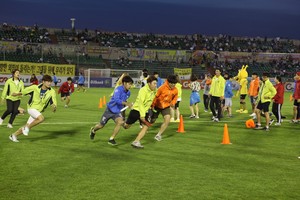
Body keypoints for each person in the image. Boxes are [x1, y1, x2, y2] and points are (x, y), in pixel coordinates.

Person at [9, 75, 57, 142]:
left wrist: (54, 107)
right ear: (43, 82)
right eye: (48, 82)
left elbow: (53, 102)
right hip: (31, 108)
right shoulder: (35, 87)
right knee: (41, 119)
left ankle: (13, 135)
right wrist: (16, 94)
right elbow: (24, 91)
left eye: (50, 82)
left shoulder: (52, 92)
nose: (49, 83)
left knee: (28, 125)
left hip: (38, 111)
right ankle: (27, 128)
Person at [89, 75, 134, 146]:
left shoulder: (128, 93)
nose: (130, 86)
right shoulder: (118, 89)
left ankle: (111, 139)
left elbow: (124, 104)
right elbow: (117, 100)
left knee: (120, 122)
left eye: (131, 84)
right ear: (124, 83)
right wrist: (127, 103)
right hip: (109, 110)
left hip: (117, 112)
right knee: (101, 125)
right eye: (129, 84)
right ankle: (93, 130)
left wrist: (123, 116)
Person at [123, 75, 158, 148]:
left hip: (145, 111)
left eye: (156, 83)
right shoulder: (143, 90)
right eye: (154, 83)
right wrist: (142, 115)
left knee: (146, 127)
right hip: (136, 110)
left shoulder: (154, 90)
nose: (155, 85)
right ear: (149, 83)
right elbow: (141, 103)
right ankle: (121, 122)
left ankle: (136, 142)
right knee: (126, 126)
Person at [151, 74, 178, 142]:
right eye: (172, 83)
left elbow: (175, 97)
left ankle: (158, 135)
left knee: (167, 120)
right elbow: (155, 96)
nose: (173, 85)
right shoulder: (162, 88)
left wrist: (173, 102)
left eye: (174, 84)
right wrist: (152, 105)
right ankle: (143, 127)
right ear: (168, 82)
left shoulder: (175, 90)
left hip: (166, 106)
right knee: (152, 121)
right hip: (157, 106)